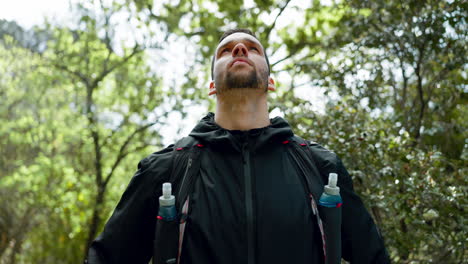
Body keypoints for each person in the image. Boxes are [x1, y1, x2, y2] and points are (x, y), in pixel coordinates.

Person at [86, 28, 390, 264]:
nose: (240, 49)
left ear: (270, 82)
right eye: (226, 51)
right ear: (212, 86)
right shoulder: (165, 170)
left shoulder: (320, 166)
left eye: (252, 48)